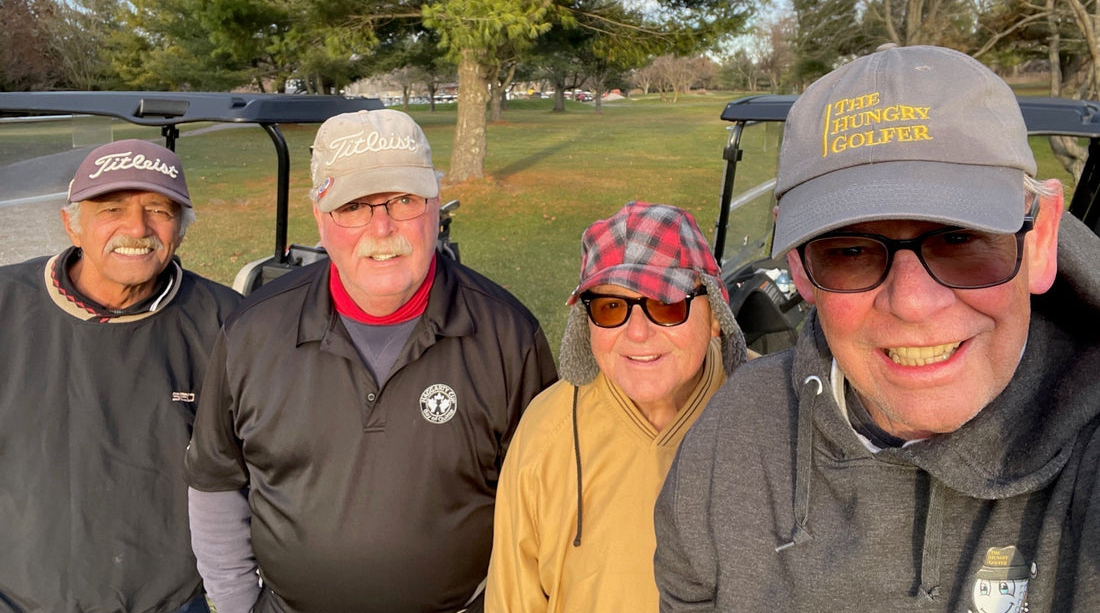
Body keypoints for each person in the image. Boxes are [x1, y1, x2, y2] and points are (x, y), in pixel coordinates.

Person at [654, 44, 1100, 612]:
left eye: (960, 239)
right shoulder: (733, 436)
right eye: (850, 251)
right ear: (799, 265)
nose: (912, 302)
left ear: (1040, 241)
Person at [184, 108, 558, 613]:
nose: (382, 228)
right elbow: (216, 479)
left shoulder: (509, 337)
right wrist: (235, 605)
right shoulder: (252, 332)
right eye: (353, 206)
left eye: (404, 200)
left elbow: (543, 506)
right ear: (320, 215)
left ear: (434, 205)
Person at [0, 138, 243, 613]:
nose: (137, 227)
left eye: (159, 210)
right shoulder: (7, 304)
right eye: (111, 208)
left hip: (170, 603)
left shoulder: (228, 323)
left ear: (181, 230)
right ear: (72, 224)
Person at [485, 201, 748, 613]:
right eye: (611, 307)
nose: (637, 333)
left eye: (666, 303)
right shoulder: (544, 433)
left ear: (715, 314)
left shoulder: (770, 410)